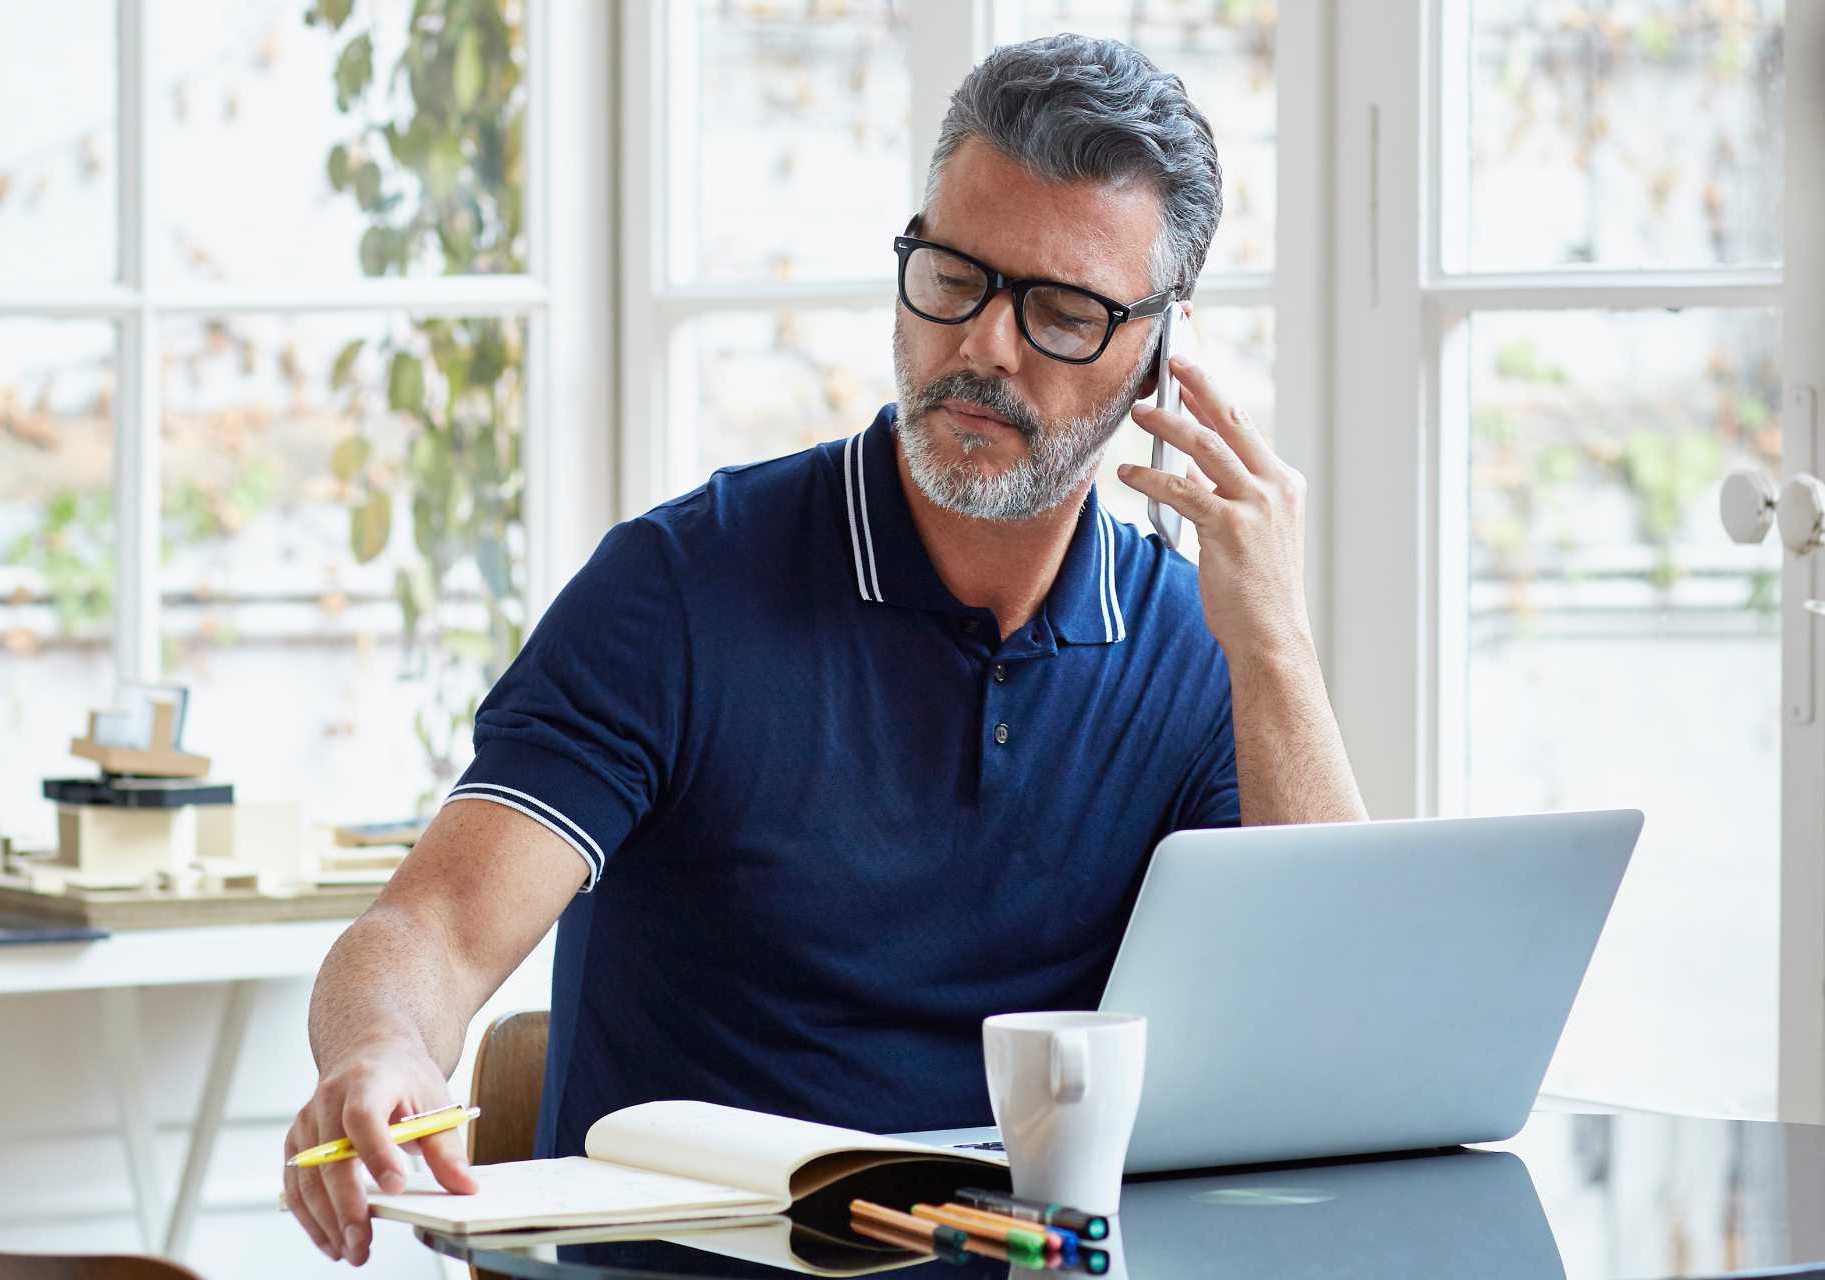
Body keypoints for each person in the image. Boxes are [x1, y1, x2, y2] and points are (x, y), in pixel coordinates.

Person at [284, 32, 1366, 1266]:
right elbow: (430, 927)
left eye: (1063, 312)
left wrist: (1276, 646)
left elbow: (1327, 1040)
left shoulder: (1197, 643)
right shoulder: (681, 590)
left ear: (1163, 348)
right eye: (953, 276)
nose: (986, 348)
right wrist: (381, 1048)